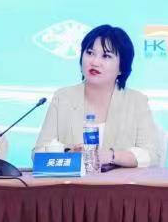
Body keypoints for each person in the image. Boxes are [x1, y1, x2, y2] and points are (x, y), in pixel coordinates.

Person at [36, 24, 161, 168]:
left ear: (122, 68)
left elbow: (151, 155)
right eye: (90, 53)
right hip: (73, 181)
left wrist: (110, 156)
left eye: (106, 56)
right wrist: (70, 154)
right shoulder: (63, 98)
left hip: (119, 182)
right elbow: (38, 152)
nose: (94, 62)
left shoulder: (136, 101)